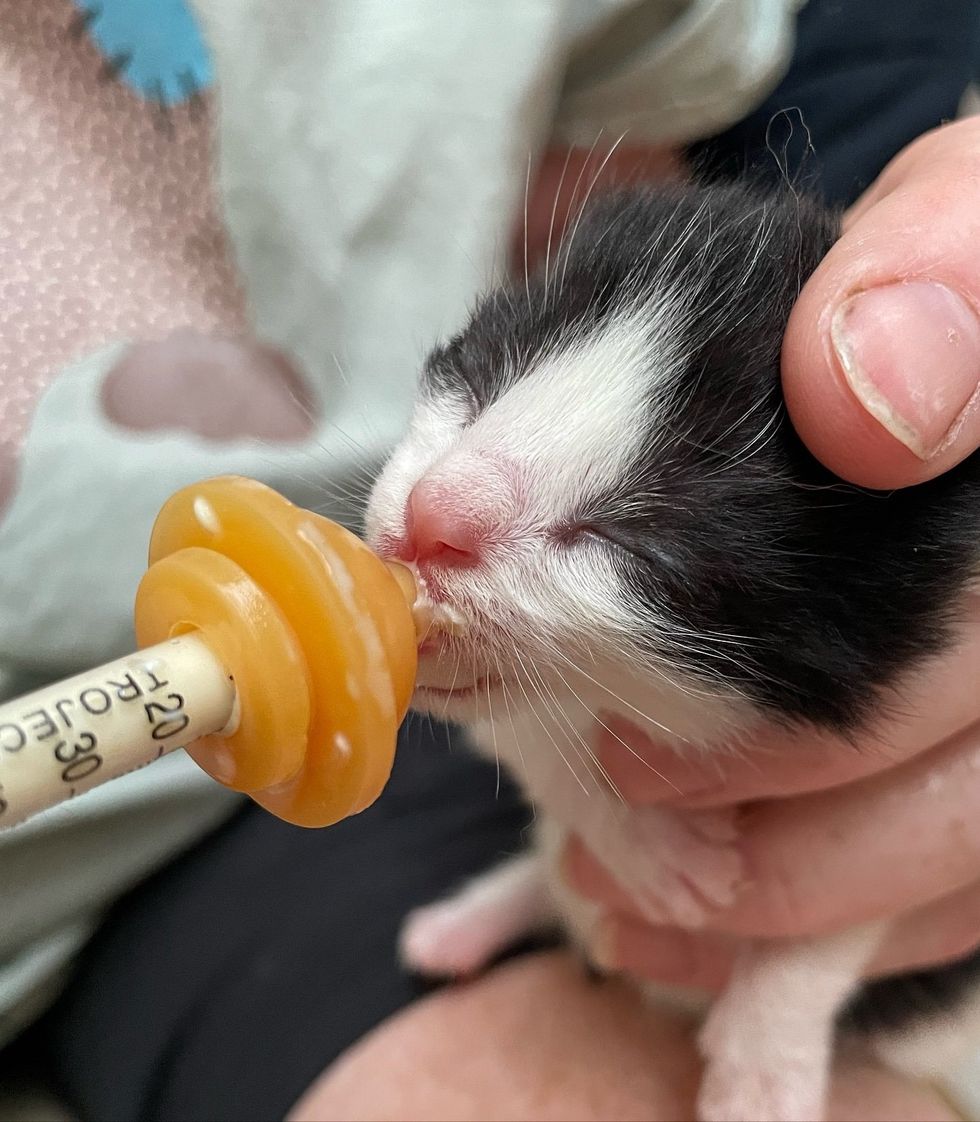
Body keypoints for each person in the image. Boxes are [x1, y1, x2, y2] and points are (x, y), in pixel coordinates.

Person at [13, 2, 980, 1120]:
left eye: (630, 538)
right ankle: (537, 883)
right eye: (470, 388)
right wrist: (605, 817)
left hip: (243, 841)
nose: (429, 502)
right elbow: (526, 731)